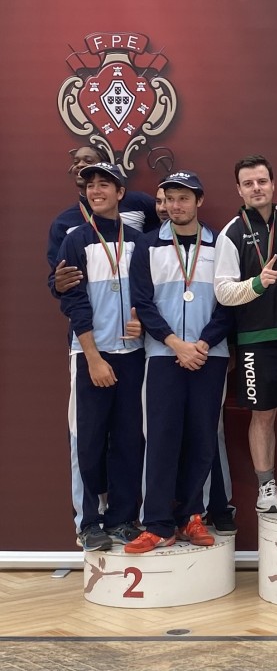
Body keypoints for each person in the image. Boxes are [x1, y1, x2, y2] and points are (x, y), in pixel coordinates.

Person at [126, 171, 230, 553]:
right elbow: (143, 303)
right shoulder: (148, 245)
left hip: (209, 356)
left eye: (184, 198)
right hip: (162, 356)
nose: (176, 206)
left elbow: (229, 303)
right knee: (161, 439)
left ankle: (192, 517)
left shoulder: (222, 245)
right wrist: (175, 344)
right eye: (170, 198)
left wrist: (201, 344)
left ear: (199, 201)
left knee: (203, 438)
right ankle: (157, 524)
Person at [214, 155, 277, 513]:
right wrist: (256, 284)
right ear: (239, 189)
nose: (257, 188)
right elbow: (223, 291)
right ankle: (267, 487)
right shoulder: (231, 232)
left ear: (273, 185)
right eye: (249, 183)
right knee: (264, 415)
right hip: (256, 339)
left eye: (262, 181)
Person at [57, 162, 145, 551]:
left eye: (104, 185)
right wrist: (92, 357)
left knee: (129, 440)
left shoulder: (141, 240)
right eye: (90, 185)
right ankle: (89, 522)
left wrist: (142, 322)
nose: (96, 190)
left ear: (120, 193)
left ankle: (123, 517)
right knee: (88, 441)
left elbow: (148, 293)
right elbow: (73, 302)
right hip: (90, 355)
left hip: (134, 357)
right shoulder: (75, 239)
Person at [48, 145, 159, 297]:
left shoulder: (139, 203)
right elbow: (59, 276)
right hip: (90, 310)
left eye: (88, 160)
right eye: (76, 161)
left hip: (136, 308)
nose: (79, 165)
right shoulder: (63, 223)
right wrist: (57, 284)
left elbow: (162, 240)